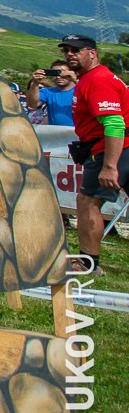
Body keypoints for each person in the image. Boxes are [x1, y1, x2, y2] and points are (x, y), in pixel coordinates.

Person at [60, 35, 125, 276]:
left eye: (76, 50)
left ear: (92, 53)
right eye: (67, 50)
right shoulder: (92, 78)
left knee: (88, 202)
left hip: (110, 149)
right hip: (113, 147)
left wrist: (109, 165)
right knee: (88, 202)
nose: (70, 54)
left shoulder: (98, 80)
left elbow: (115, 123)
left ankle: (87, 264)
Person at [23, 60, 77, 127]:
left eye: (62, 73)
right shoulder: (47, 92)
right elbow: (32, 105)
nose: (58, 77)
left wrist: (75, 80)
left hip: (80, 133)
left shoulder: (80, 90)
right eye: (55, 73)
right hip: (57, 134)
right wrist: (35, 83)